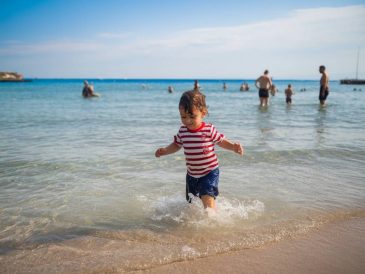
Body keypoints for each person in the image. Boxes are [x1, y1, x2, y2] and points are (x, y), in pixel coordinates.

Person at [155, 90, 244, 209]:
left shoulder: (208, 129)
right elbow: (176, 145)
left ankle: (212, 221)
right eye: (183, 116)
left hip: (209, 172)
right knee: (191, 202)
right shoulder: (183, 131)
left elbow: (220, 141)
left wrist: (233, 147)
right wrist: (165, 151)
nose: (187, 120)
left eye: (192, 116)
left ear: (203, 113)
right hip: (191, 174)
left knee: (207, 197)